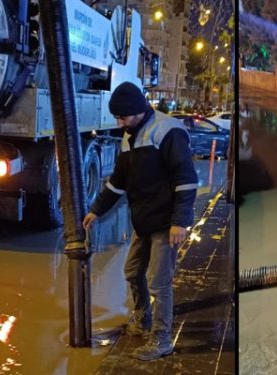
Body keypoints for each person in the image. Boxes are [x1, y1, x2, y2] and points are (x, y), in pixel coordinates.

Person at [82, 81, 198, 361]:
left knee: (159, 282)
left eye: (121, 117)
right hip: (144, 221)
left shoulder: (167, 131)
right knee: (132, 272)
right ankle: (142, 318)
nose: (119, 123)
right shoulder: (129, 136)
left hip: (166, 222)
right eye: (117, 118)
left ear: (135, 111)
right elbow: (118, 183)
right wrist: (96, 210)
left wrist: (180, 222)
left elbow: (186, 180)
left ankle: (162, 339)